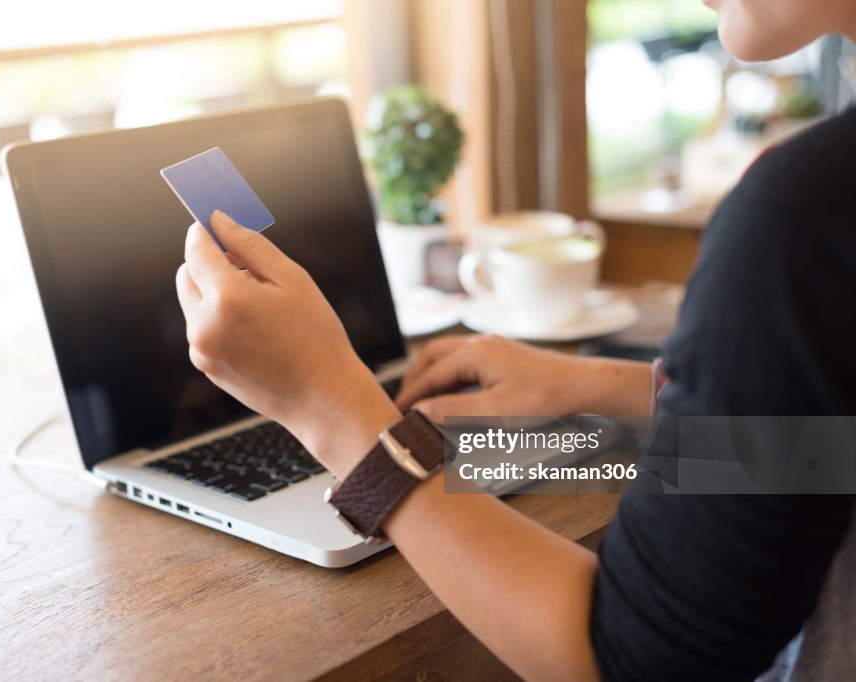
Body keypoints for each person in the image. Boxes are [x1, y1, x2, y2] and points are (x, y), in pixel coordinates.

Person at [174, 1, 856, 679]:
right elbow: (831, 453)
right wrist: (601, 388)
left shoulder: (805, 215)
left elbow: (627, 659)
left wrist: (333, 410)